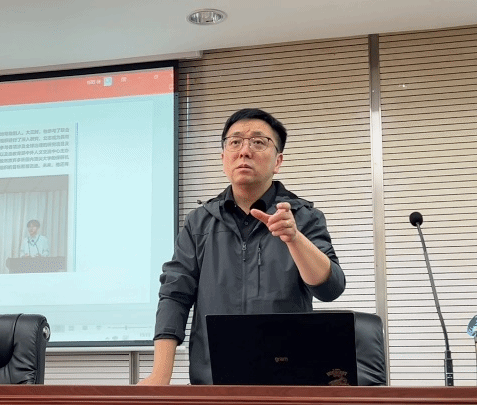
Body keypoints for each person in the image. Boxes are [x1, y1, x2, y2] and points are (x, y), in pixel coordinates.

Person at [140, 108, 345, 385]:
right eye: (235, 142)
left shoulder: (303, 217)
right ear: (223, 158)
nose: (244, 151)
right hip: (214, 382)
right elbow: (175, 295)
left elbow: (330, 289)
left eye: (258, 142)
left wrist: (294, 238)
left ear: (278, 161)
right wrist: (160, 375)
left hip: (289, 381)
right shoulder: (199, 222)